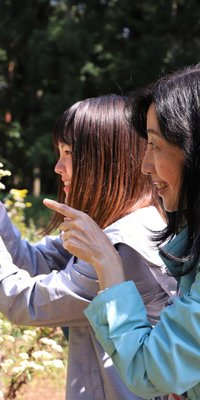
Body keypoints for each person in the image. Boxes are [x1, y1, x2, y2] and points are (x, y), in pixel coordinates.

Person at [0, 95, 176, 400]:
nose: (58, 167)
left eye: (69, 153)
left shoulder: (124, 246)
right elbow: (34, 264)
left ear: (108, 159)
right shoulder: (109, 228)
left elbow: (25, 302)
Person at [44, 65, 200, 400]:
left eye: (155, 146)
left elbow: (151, 370)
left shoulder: (124, 239)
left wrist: (107, 263)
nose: (144, 165)